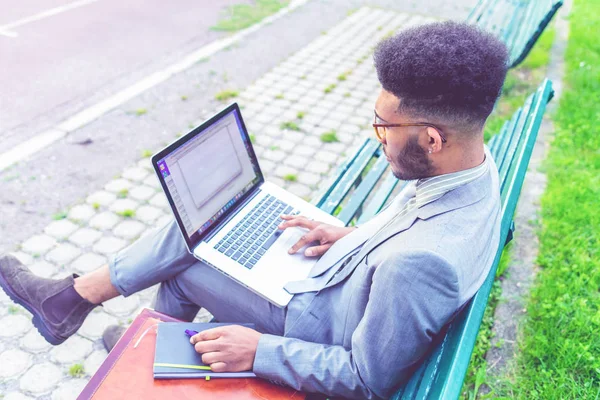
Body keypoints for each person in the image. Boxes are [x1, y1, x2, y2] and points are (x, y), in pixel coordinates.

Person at [0, 21, 508, 399]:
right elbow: (407, 235)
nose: (377, 140)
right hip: (340, 279)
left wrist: (257, 351)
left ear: (434, 139)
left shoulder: (421, 265)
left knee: (191, 252)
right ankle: (89, 312)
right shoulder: (471, 171)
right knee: (208, 230)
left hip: (315, 323)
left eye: (383, 127)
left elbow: (365, 377)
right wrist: (351, 237)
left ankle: (87, 314)